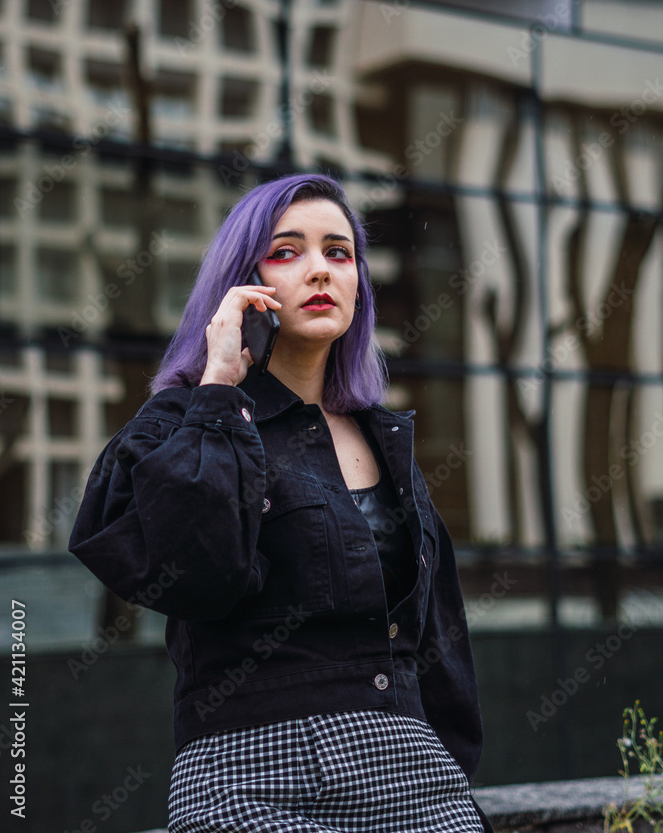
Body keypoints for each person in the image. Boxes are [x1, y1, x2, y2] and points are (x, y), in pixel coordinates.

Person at [68, 172, 493, 833]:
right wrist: (218, 388)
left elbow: (438, 636)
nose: (320, 270)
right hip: (252, 778)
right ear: (242, 287)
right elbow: (191, 572)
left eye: (339, 252)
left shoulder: (385, 440)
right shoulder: (179, 421)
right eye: (286, 252)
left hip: (412, 778)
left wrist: (444, 767)